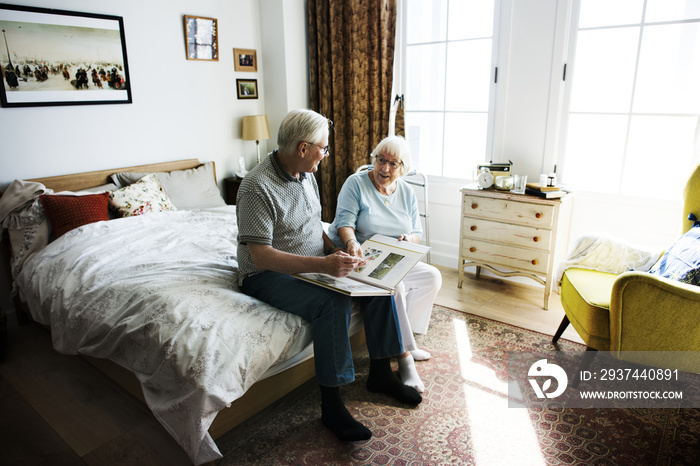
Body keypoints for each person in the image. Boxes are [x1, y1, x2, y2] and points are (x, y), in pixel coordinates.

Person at [236, 109, 422, 442]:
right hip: (265, 274)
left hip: (311, 261)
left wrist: (336, 250)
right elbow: (260, 256)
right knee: (330, 304)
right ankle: (332, 406)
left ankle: (381, 372)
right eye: (323, 147)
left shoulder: (304, 173)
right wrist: (323, 265)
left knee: (376, 285)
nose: (327, 153)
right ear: (303, 148)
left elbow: (311, 226)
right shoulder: (256, 186)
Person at [327, 135, 442, 393]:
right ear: (374, 160)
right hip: (362, 257)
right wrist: (351, 244)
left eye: (393, 163)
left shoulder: (407, 191)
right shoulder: (355, 184)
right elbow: (344, 223)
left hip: (394, 256)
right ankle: (403, 357)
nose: (385, 169)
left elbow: (416, 232)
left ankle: (407, 338)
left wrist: (407, 238)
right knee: (395, 288)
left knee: (432, 277)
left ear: (402, 168)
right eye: (381, 160)